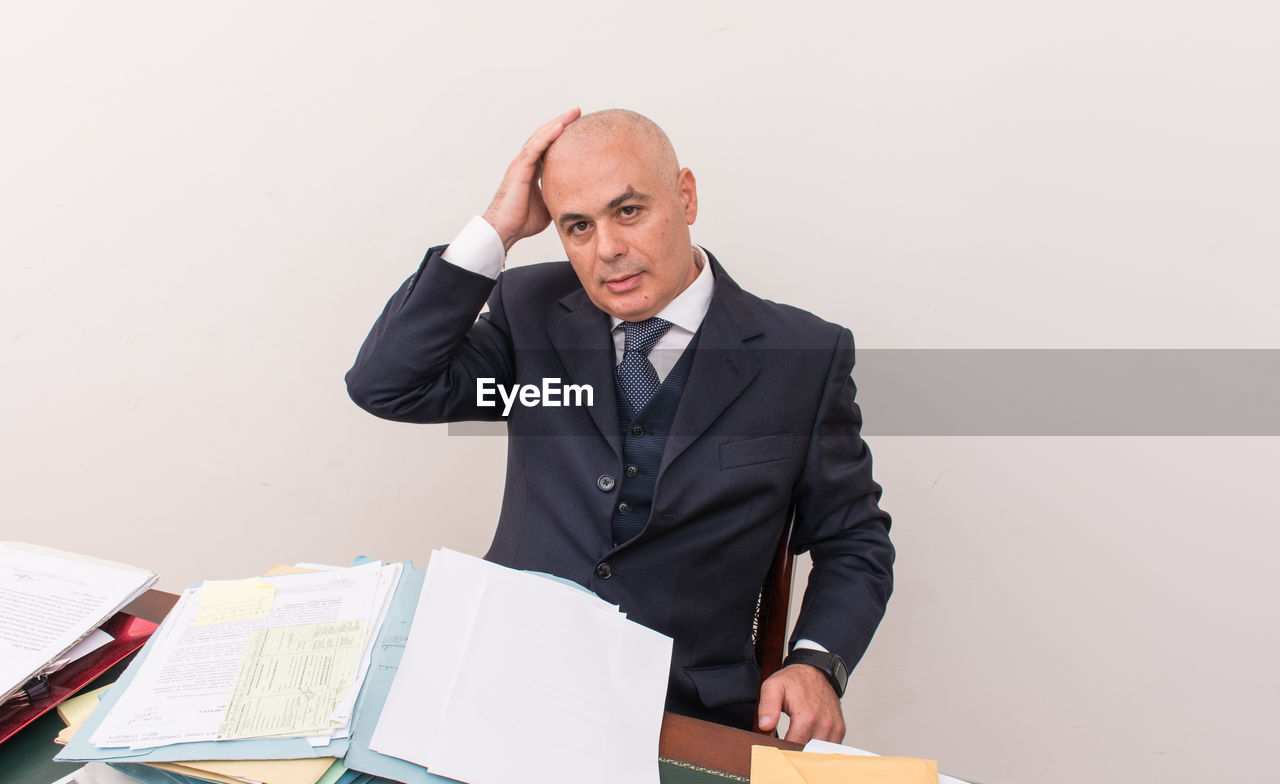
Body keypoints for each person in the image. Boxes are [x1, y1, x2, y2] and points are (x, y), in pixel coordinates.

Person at [346, 108, 894, 744]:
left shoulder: (801, 357)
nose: (607, 249)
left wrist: (816, 663)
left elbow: (854, 539)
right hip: (501, 683)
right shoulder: (530, 314)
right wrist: (497, 228)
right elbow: (388, 383)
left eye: (628, 211)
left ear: (685, 196)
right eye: (577, 226)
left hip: (680, 712)